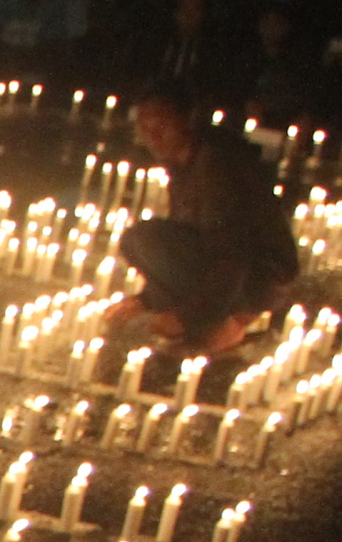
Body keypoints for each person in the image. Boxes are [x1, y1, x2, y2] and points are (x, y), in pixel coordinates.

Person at [109, 85, 298, 356]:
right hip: (233, 273)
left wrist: (185, 318)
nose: (152, 136)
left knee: (146, 239)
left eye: (161, 124)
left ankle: (218, 324)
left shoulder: (216, 166)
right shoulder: (185, 163)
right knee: (139, 241)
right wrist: (146, 300)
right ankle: (200, 318)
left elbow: (234, 256)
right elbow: (188, 238)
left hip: (261, 281)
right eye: (144, 127)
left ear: (188, 121)